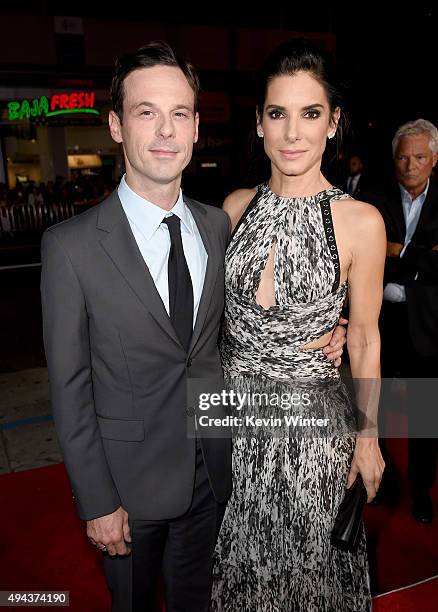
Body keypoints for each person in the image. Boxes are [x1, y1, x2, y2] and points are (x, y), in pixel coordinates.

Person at [41, 41, 347, 612]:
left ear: (196, 127)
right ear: (115, 125)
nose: (164, 130)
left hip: (218, 475)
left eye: (179, 113)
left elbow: (247, 324)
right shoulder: (69, 248)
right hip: (127, 494)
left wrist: (336, 325)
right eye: (145, 112)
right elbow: (68, 389)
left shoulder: (217, 224)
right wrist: (97, 501)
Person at [211, 39, 385, 611]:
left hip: (315, 438)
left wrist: (367, 437)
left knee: (313, 585)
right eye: (277, 113)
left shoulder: (361, 222)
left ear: (334, 124)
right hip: (234, 432)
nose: (292, 133)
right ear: (259, 123)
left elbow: (362, 338)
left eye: (310, 114)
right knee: (242, 581)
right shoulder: (232, 209)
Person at [378, 118, 438, 523]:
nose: (410, 165)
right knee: (374, 410)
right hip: (380, 322)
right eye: (403, 156)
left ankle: (420, 493)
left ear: (434, 158)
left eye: (419, 156)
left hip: (425, 325)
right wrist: (421, 258)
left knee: (422, 418)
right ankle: (380, 482)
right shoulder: (374, 198)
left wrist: (397, 253)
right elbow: (362, 258)